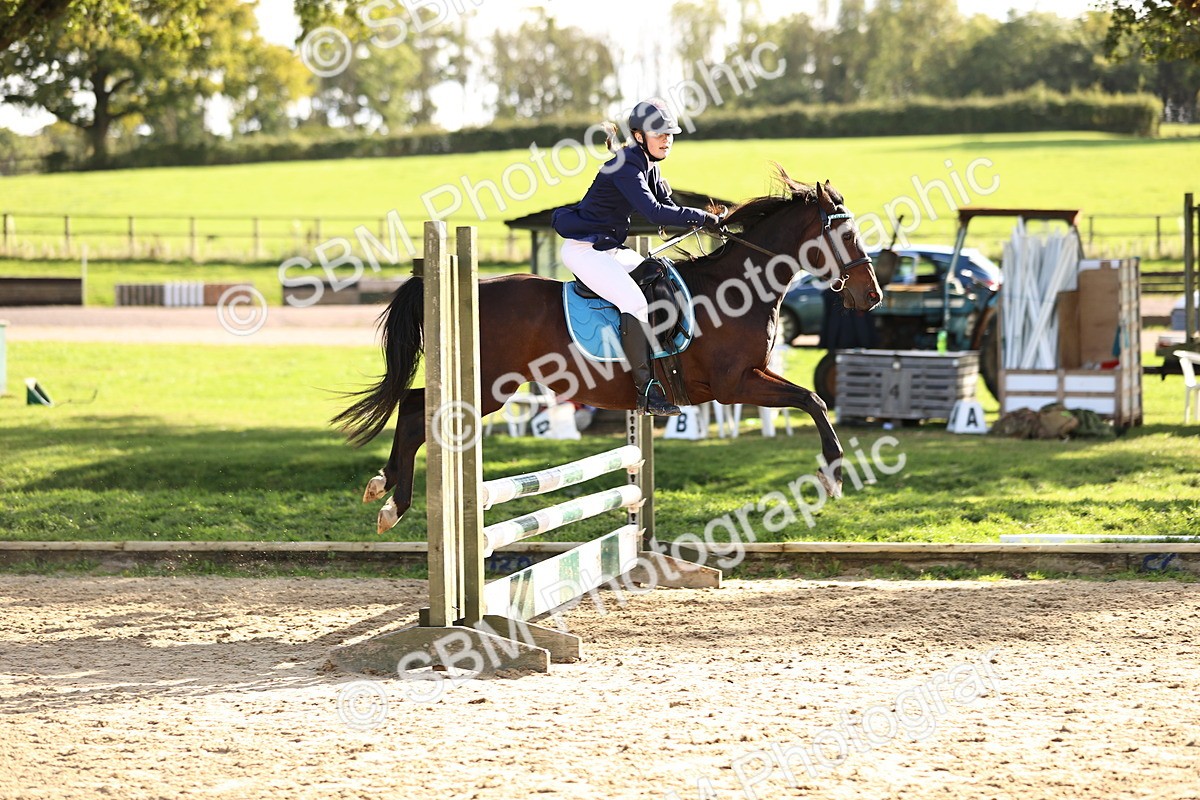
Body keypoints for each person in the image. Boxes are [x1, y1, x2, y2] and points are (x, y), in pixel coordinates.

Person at [551, 98, 721, 416]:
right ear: (639, 136)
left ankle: (667, 362)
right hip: (584, 250)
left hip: (609, 249)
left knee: (658, 274)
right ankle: (646, 392)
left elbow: (665, 202)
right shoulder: (627, 164)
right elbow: (653, 210)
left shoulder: (648, 164)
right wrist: (700, 217)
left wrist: (706, 219)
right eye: (659, 133)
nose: (666, 139)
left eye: (669, 133)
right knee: (635, 303)